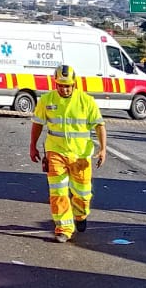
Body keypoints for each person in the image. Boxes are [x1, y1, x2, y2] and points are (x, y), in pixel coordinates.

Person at [29, 65, 106, 243]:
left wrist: (103, 149)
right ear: (55, 84)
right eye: (60, 85)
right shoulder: (47, 100)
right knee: (58, 192)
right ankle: (63, 228)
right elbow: (37, 124)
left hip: (81, 156)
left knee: (83, 193)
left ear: (74, 84)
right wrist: (33, 146)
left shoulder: (86, 101)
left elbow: (99, 125)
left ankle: (80, 214)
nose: (64, 89)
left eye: (68, 85)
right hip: (56, 152)